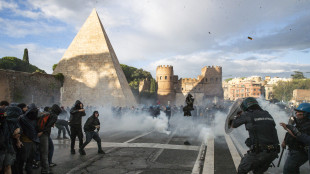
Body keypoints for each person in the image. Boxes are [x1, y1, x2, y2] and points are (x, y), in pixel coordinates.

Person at [231, 97, 280, 174]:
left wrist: (239, 116)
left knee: (242, 169)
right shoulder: (267, 114)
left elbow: (233, 125)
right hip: (273, 152)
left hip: (260, 152)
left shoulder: (247, 114)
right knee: (258, 171)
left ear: (245, 106)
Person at [281, 103, 310, 174]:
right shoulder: (297, 121)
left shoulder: (308, 124)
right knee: (293, 170)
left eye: (300, 113)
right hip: (293, 149)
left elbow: (298, 136)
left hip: (300, 151)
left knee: (288, 170)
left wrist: (288, 128)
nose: (297, 114)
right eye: (296, 112)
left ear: (306, 114)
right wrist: (284, 141)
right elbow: (289, 133)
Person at [38, 104, 61, 174]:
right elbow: (48, 126)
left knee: (49, 148)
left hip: (43, 133)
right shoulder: (54, 116)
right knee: (45, 152)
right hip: (44, 134)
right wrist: (42, 132)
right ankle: (45, 170)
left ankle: (45, 165)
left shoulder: (48, 113)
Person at [0, 105, 22, 174]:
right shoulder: (4, 121)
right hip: (2, 147)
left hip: (9, 147)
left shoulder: (15, 122)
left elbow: (18, 131)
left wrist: (18, 133)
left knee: (8, 166)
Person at [18, 103, 40, 174]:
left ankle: (27, 170)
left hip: (33, 141)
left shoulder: (36, 118)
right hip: (25, 141)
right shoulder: (22, 118)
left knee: (30, 159)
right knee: (23, 159)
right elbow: (19, 129)